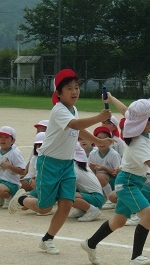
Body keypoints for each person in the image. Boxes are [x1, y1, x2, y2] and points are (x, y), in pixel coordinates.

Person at [7, 68, 113, 255]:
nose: (74, 92)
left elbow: (77, 130)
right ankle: (22, 198)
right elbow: (73, 125)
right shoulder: (59, 110)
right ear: (58, 93)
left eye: (76, 87)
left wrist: (98, 141)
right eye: (69, 88)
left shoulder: (73, 109)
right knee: (44, 207)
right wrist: (99, 118)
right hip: (49, 163)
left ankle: (48, 239)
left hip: (66, 164)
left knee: (66, 203)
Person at [80, 96, 150, 265]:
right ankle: (136, 256)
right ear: (146, 123)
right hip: (128, 182)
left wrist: (111, 98)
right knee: (149, 215)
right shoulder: (139, 142)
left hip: (131, 182)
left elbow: (125, 111)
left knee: (118, 221)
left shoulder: (138, 130)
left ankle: (90, 243)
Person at [68, 143, 104, 222]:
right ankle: (83, 209)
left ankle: (92, 210)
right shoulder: (79, 165)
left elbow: (71, 185)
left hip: (96, 198)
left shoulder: (74, 167)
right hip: (93, 196)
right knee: (68, 193)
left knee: (67, 196)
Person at [88, 126, 121, 206]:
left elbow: (117, 173)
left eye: (105, 139)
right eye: (99, 138)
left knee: (100, 176)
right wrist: (91, 168)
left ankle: (110, 199)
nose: (102, 142)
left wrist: (104, 168)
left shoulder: (114, 154)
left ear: (110, 141)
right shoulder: (93, 154)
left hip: (113, 182)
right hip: (100, 181)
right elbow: (89, 171)